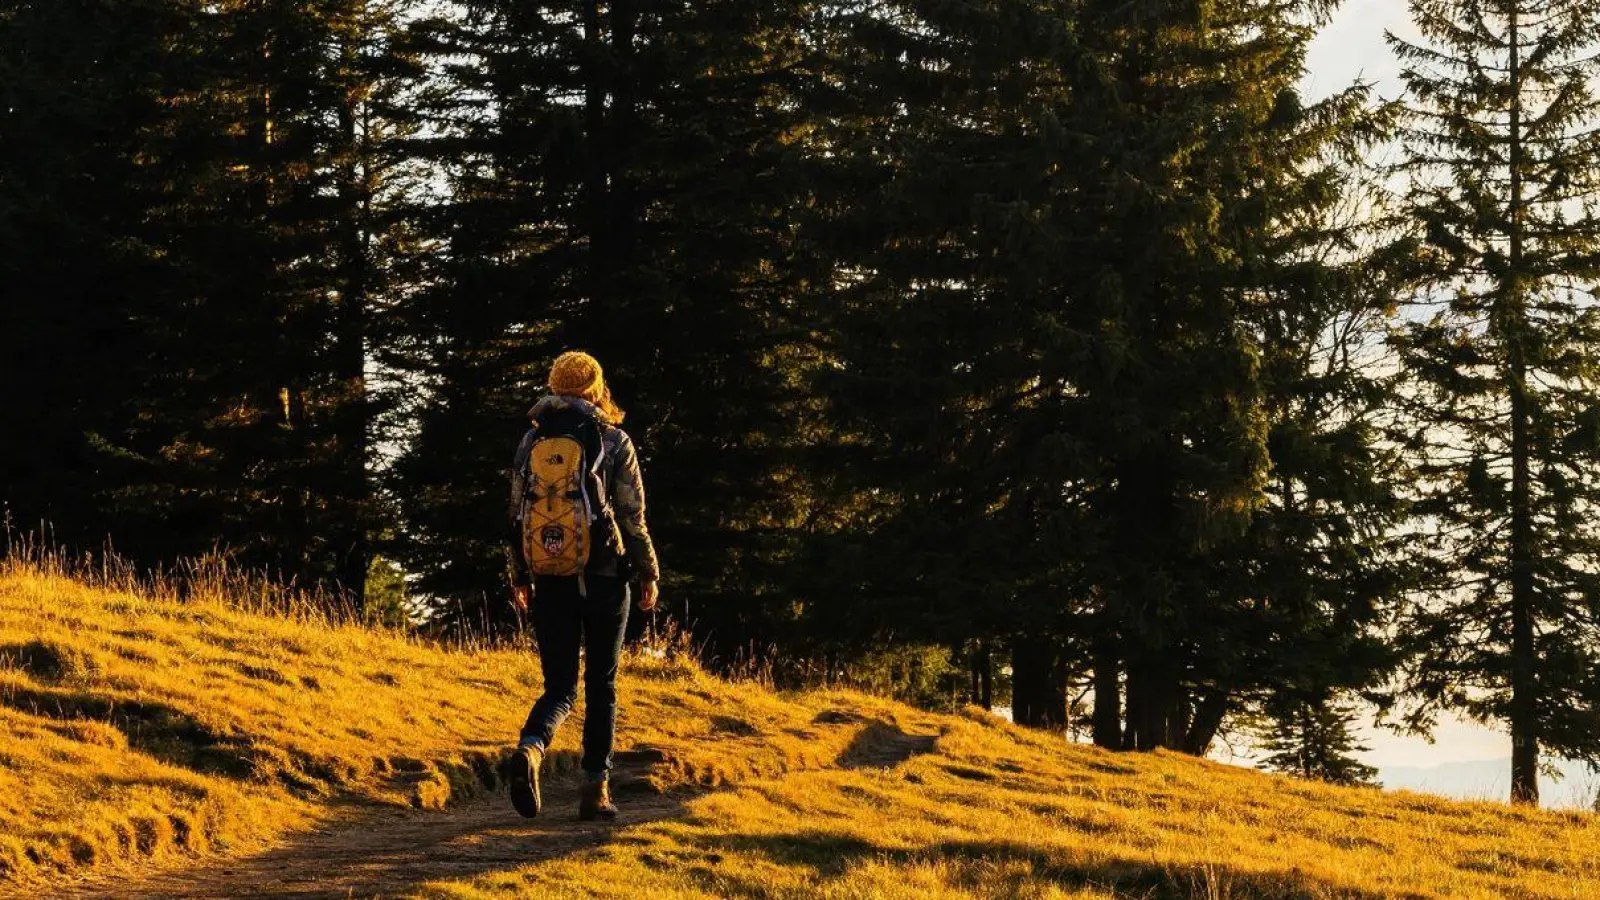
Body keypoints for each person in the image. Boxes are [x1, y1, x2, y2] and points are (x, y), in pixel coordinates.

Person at [506, 351, 661, 821]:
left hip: (550, 573)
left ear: (554, 387)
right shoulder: (612, 440)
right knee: (601, 684)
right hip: (606, 576)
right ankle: (595, 792)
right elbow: (632, 517)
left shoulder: (531, 439)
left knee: (559, 687)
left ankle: (532, 748)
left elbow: (515, 515)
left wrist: (519, 575)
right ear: (595, 388)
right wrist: (649, 571)